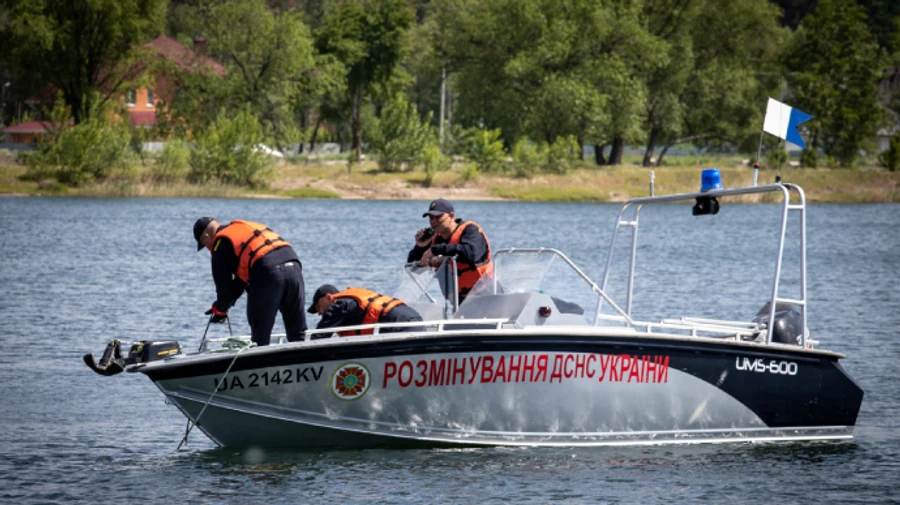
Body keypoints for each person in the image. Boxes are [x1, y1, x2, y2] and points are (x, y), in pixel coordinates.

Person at [193, 217, 306, 346]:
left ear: (206, 236)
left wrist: (220, 309)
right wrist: (222, 307)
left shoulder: (219, 245)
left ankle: (261, 364)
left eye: (204, 244)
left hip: (267, 272)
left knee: (260, 336)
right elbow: (241, 281)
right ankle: (305, 361)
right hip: (294, 266)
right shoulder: (244, 228)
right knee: (297, 332)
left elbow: (224, 291)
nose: (208, 248)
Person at [407, 198, 493, 303]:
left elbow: (472, 253)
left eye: (438, 217)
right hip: (460, 303)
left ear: (451, 216)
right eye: (431, 217)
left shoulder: (470, 231)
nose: (433, 221)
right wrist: (420, 247)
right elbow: (413, 268)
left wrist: (436, 250)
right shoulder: (436, 241)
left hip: (488, 297)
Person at [307, 284, 423, 337]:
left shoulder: (339, 305)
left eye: (318, 307)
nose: (319, 313)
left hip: (399, 324)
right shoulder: (352, 301)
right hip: (413, 317)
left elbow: (319, 336)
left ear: (328, 297)